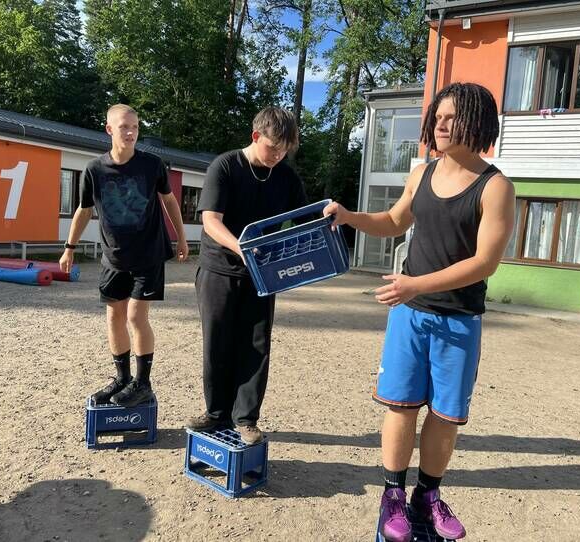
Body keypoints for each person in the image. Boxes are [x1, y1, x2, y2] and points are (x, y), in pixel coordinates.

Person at [323, 82, 515, 541]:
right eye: (438, 117)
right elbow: (393, 221)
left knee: (445, 415)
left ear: (477, 122)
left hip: (459, 320)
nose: (441, 125)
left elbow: (485, 262)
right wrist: (349, 216)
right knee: (401, 406)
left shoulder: (496, 187)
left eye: (452, 117)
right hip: (410, 315)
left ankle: (427, 496)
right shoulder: (422, 173)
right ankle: (393, 496)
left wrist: (414, 284)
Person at [186, 106, 307, 445]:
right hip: (219, 268)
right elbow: (211, 220)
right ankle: (215, 412)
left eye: (284, 150)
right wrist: (241, 247)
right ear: (256, 136)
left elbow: (304, 221)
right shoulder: (225, 166)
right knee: (217, 342)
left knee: (256, 344)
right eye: (273, 148)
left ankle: (246, 419)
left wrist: (326, 221)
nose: (278, 156)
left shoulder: (286, 176)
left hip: (262, 273)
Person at [59, 104, 189, 408]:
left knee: (135, 316)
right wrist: (69, 248)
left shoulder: (152, 165)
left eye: (135, 127)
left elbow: (169, 201)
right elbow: (84, 210)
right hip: (114, 257)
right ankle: (122, 379)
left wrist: (181, 237)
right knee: (114, 316)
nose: (131, 133)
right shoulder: (94, 169)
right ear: (109, 129)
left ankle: (142, 383)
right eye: (124, 127)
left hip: (148, 254)